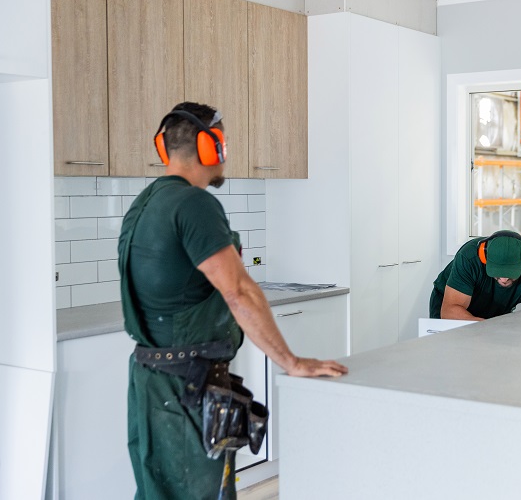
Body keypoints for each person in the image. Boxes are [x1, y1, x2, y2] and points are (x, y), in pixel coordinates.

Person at [118, 102, 348, 500]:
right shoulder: (194, 204)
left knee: (158, 492)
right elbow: (238, 291)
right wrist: (291, 362)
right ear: (211, 147)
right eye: (224, 144)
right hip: (187, 386)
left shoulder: (145, 203)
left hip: (151, 381)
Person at [429, 230, 521, 321]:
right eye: (498, 273)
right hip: (452, 303)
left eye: (511, 273)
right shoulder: (469, 258)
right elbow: (449, 311)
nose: (504, 279)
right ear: (484, 258)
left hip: (497, 308)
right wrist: (486, 327)